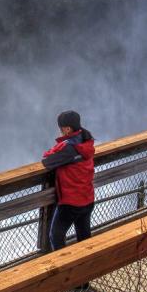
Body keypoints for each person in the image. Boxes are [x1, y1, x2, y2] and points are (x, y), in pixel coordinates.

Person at [41, 110, 96, 257]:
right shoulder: (86, 140)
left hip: (71, 203)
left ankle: (65, 274)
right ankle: (84, 277)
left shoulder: (69, 148)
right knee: (84, 240)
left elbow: (47, 162)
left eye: (61, 128)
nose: (60, 130)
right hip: (88, 199)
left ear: (67, 129)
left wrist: (58, 148)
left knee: (56, 237)